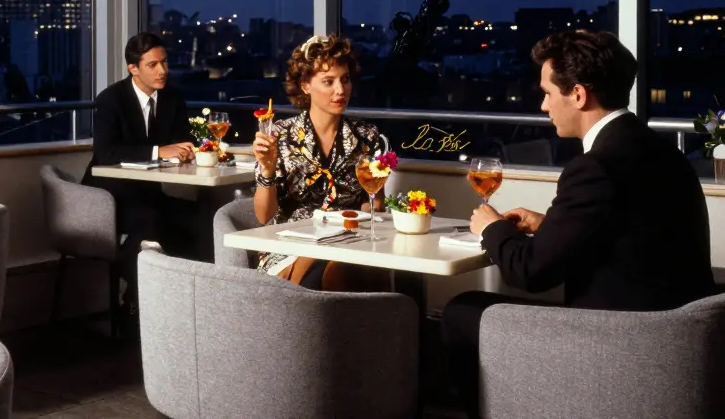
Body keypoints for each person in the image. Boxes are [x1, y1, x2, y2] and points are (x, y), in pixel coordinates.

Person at [442, 29, 715, 417]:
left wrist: (490, 227)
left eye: (548, 93)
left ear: (579, 95)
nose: (542, 106)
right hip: (679, 345)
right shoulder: (660, 150)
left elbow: (532, 273)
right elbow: (623, 229)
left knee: (459, 312)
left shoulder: (594, 166)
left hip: (622, 345)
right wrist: (548, 223)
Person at [251, 35, 388, 290]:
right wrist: (267, 169)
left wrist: (371, 210)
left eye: (345, 79)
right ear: (305, 85)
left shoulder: (367, 137)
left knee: (362, 268)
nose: (340, 90)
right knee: (334, 267)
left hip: (350, 243)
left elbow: (373, 207)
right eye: (328, 81)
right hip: (289, 247)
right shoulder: (280, 136)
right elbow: (263, 215)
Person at [84, 32, 196, 312]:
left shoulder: (173, 98)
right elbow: (106, 153)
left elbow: (182, 144)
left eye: (166, 63)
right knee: (152, 221)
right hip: (109, 196)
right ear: (133, 68)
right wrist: (159, 151)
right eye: (153, 65)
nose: (163, 71)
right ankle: (141, 301)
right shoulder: (111, 99)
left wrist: (189, 151)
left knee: (202, 215)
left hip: (150, 191)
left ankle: (192, 302)